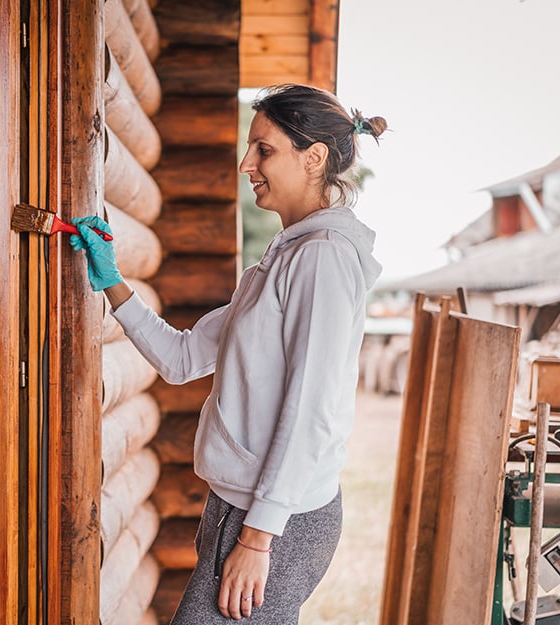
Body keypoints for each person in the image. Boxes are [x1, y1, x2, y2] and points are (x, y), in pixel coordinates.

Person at [70, 83, 387, 624]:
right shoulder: (280, 261)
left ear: (313, 158)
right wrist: (111, 280)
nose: (247, 163)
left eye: (264, 150)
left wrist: (259, 538)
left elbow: (312, 409)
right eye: (250, 147)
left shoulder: (323, 260)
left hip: (278, 522)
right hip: (240, 508)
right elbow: (182, 358)